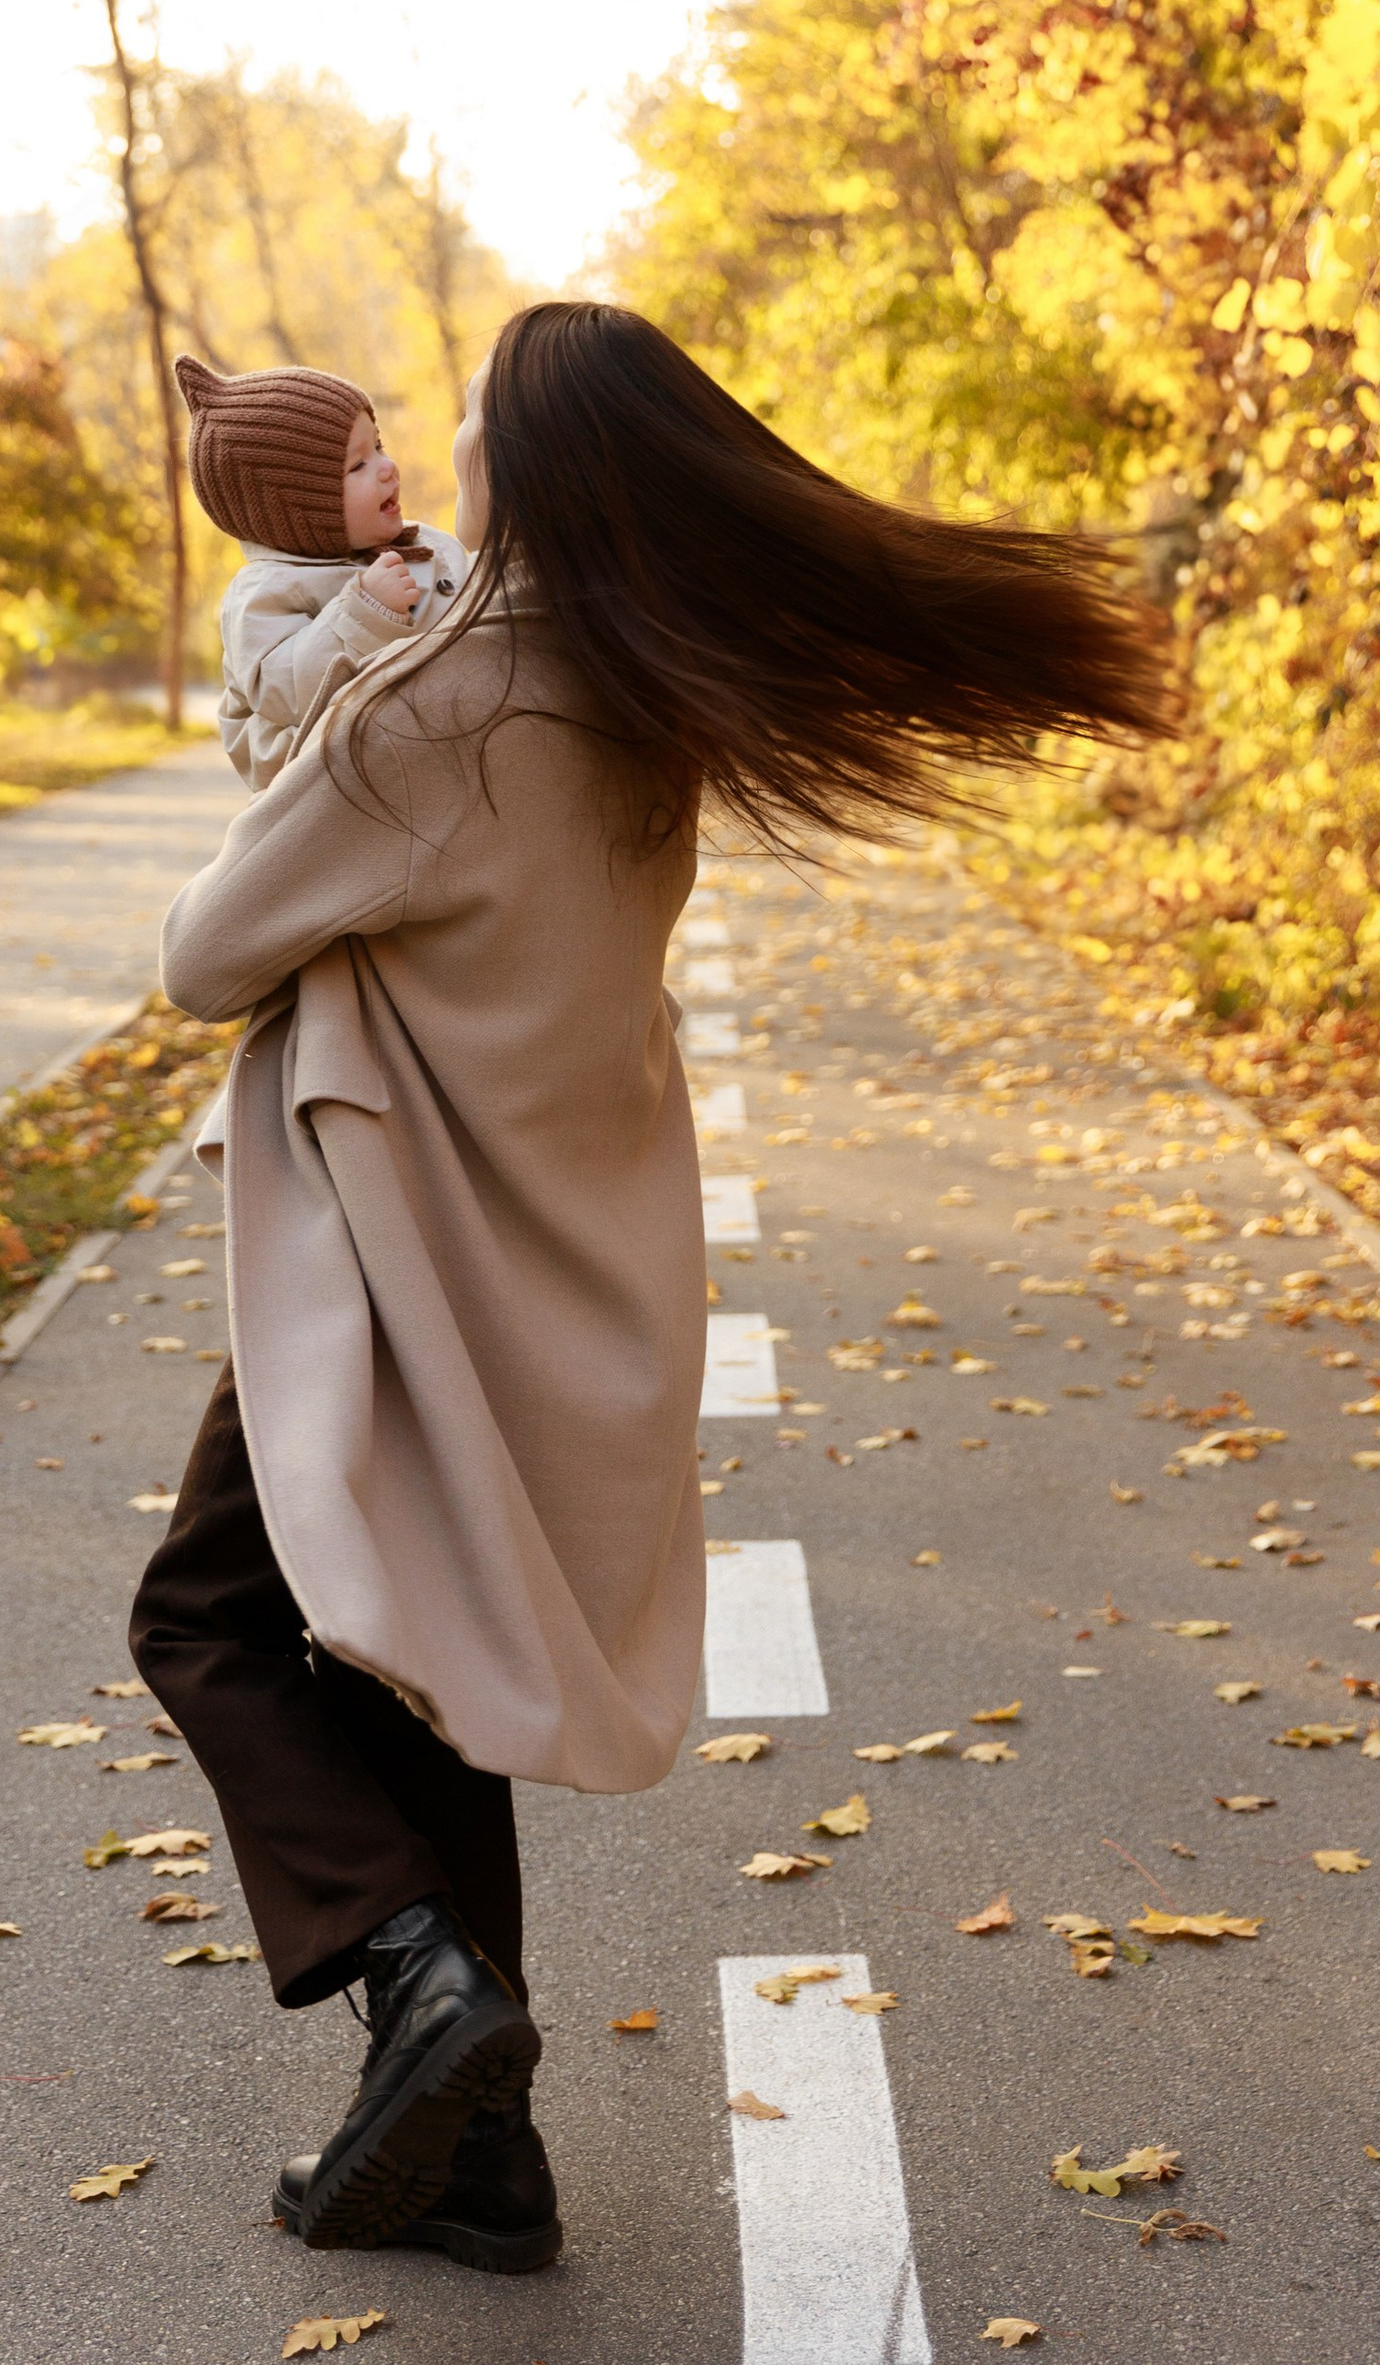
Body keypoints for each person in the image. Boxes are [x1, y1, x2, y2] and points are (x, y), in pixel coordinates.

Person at [130, 299, 1176, 2272]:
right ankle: (481, 2164)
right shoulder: (640, 700)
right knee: (418, 1690)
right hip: (553, 1250)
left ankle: (408, 1962)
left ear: (520, 475)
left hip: (391, 1247)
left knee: (196, 1614)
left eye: (460, 435)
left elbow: (203, 951)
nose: (426, 463)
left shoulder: (448, 708)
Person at [175, 354, 470, 788]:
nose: (388, 468)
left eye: (379, 447)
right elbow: (282, 688)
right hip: (344, 798)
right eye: (358, 465)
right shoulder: (265, 592)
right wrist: (366, 612)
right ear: (298, 512)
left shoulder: (417, 546)